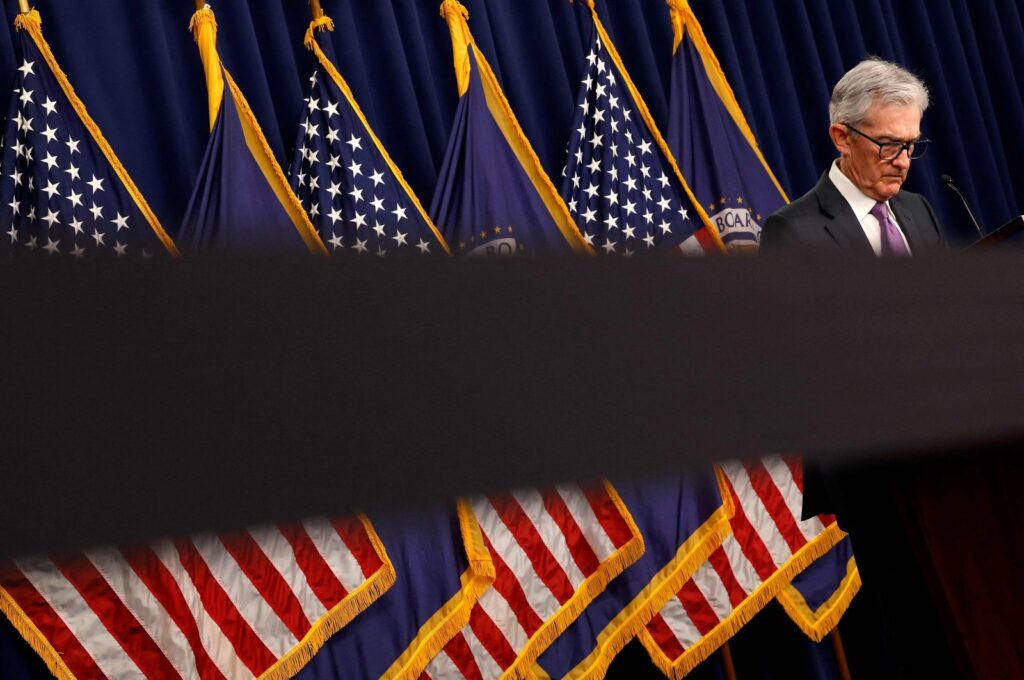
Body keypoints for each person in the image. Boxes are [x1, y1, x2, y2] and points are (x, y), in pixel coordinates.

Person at [761, 58, 944, 254]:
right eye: (889, 144)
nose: (903, 161)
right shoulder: (792, 231)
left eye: (910, 145)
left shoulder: (919, 210)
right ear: (843, 138)